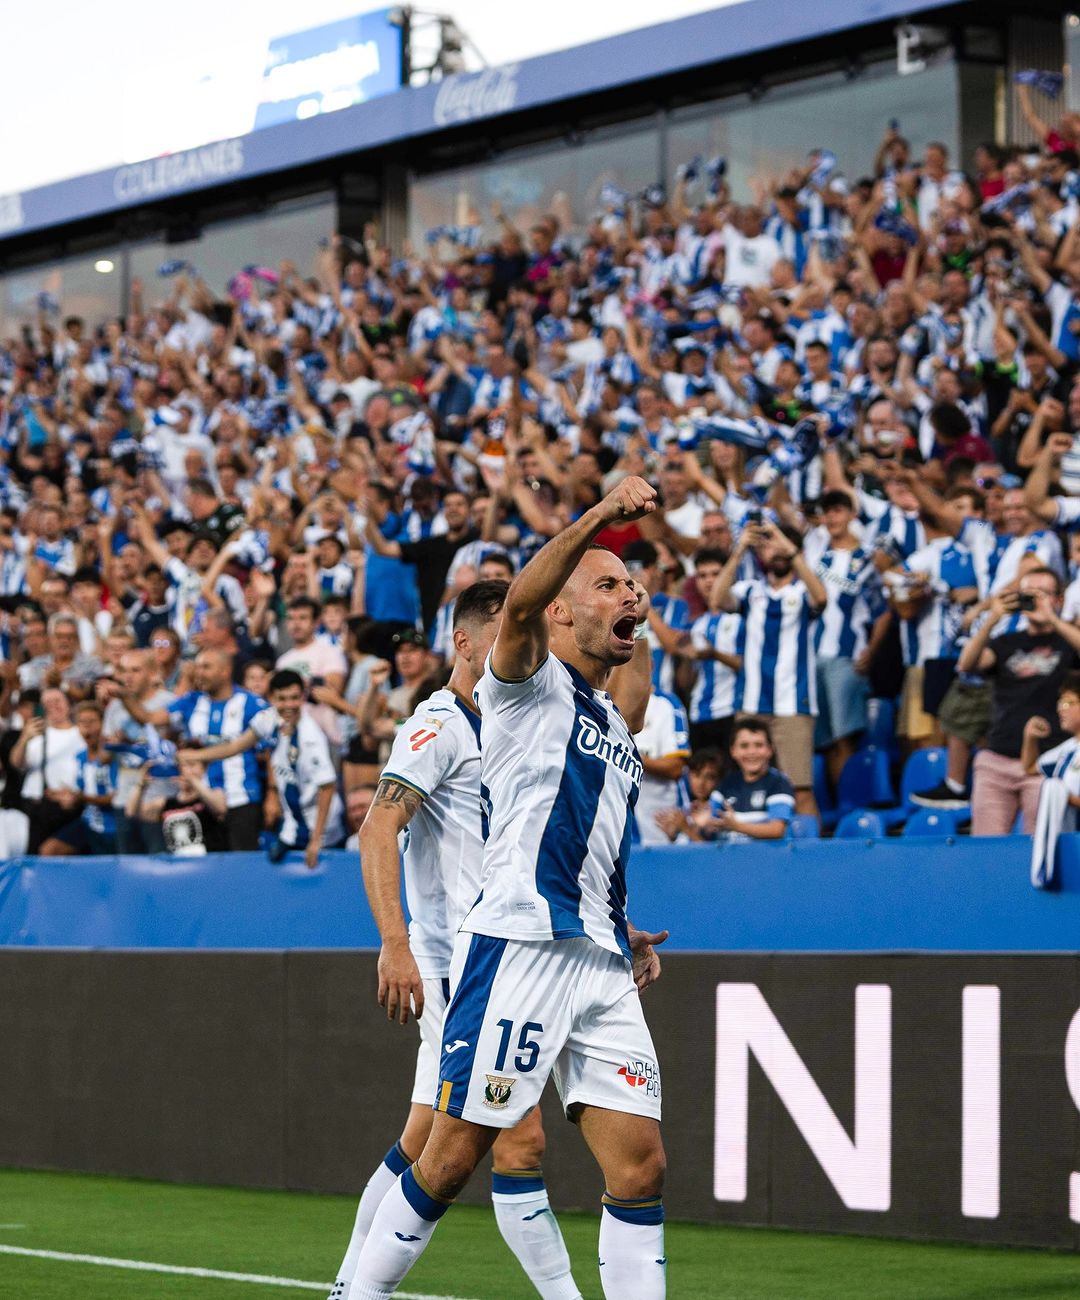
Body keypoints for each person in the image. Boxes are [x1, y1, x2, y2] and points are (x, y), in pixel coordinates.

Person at [349, 477, 668, 1300]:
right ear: (559, 611)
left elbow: (588, 839)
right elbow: (523, 606)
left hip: (596, 958)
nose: (629, 595)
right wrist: (598, 517)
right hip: (517, 947)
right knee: (452, 1157)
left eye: (633, 588)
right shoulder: (523, 683)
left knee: (640, 1167)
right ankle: (356, 1294)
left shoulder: (608, 721)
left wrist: (618, 924)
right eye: (607, 585)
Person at [329, 580, 583, 1299]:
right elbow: (379, 826)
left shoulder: (515, 726)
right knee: (520, 1140)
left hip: (509, 962)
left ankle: (350, 1288)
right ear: (464, 643)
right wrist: (394, 942)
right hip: (460, 971)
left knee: (422, 1143)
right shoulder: (437, 724)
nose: (517, 642)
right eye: (502, 630)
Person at [709, 519, 827, 818]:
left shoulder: (803, 592)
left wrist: (792, 551)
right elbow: (717, 599)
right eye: (767, 544)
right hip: (750, 701)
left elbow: (821, 599)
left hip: (793, 703)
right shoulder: (750, 591)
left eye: (779, 543)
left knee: (799, 787)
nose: (774, 550)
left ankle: (809, 853)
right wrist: (739, 551)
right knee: (745, 783)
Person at [957, 568, 1080, 835]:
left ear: (1059, 600)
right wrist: (992, 618)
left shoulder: (1067, 641)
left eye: (1043, 593)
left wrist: (1053, 620)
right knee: (986, 849)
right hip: (996, 759)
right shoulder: (1006, 642)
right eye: (1028, 594)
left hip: (1045, 763)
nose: (1034, 600)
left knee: (1038, 850)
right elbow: (966, 665)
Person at [180, 669, 344, 869]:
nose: (289, 705)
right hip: (293, 824)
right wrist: (196, 756)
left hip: (321, 825)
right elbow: (235, 746)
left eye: (294, 698)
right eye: (282, 699)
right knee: (273, 861)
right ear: (272, 698)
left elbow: (327, 787)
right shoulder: (269, 718)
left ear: (303, 697)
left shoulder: (311, 738)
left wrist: (316, 840)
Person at [120, 648, 270, 850]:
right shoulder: (192, 701)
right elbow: (150, 719)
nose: (199, 672)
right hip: (201, 800)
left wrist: (273, 796)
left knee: (241, 866)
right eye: (197, 667)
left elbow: (269, 753)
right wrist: (124, 696)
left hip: (241, 798)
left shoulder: (251, 704)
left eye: (206, 667)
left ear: (225, 670)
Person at [11, 685, 86, 851]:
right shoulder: (35, 734)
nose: (53, 706)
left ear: (68, 705)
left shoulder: (81, 733)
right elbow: (16, 764)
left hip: (69, 806)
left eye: (57, 701)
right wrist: (24, 738)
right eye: (47, 702)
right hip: (36, 807)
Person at [39, 701, 118, 856]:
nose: (87, 727)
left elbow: (117, 798)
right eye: (82, 722)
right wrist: (65, 799)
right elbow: (78, 795)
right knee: (49, 850)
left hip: (113, 827)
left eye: (92, 722)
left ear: (103, 724)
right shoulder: (80, 758)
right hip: (88, 823)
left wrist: (81, 797)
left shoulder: (113, 757)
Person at [711, 716, 795, 844]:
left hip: (769, 860)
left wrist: (737, 826)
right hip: (731, 860)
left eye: (759, 745)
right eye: (744, 746)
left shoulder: (778, 783)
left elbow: (777, 830)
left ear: (770, 750)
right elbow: (710, 822)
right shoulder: (726, 784)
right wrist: (699, 822)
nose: (752, 752)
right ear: (733, 751)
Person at [128, 754, 229, 856]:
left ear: (204, 769)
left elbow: (220, 808)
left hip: (210, 862)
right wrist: (140, 785)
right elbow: (132, 812)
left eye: (191, 765)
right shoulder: (167, 803)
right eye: (181, 766)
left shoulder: (210, 796)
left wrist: (193, 781)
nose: (184, 770)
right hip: (179, 865)